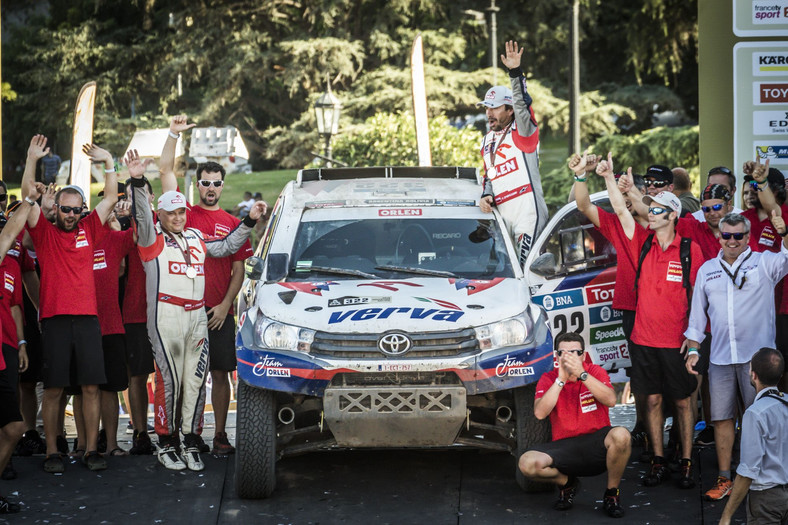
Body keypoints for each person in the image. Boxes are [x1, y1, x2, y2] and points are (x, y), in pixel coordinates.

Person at [127, 150, 265, 471]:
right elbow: (143, 215)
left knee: (194, 382)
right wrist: (135, 181)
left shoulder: (194, 236)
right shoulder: (152, 237)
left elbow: (228, 247)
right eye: (171, 213)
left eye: (180, 213)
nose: (177, 217)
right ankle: (166, 441)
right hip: (166, 319)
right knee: (169, 382)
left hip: (197, 318)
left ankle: (190, 438)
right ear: (160, 214)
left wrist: (249, 220)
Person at [599, 152, 702, 490]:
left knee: (685, 401)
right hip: (644, 339)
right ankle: (658, 460)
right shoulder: (642, 243)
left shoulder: (689, 250)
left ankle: (685, 461)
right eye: (649, 208)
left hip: (676, 343)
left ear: (673, 215)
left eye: (657, 210)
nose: (650, 212)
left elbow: (700, 300)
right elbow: (618, 209)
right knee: (653, 400)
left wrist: (694, 342)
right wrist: (609, 178)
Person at [21, 135, 119, 473]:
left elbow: (109, 196)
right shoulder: (45, 234)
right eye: (65, 209)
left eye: (77, 210)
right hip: (56, 320)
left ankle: (91, 450)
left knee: (91, 387)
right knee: (54, 389)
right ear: (56, 208)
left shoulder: (90, 229)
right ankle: (52, 452)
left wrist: (108, 162)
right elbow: (26, 198)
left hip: (88, 320)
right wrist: (32, 158)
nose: (71, 215)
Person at [160, 115, 257, 456]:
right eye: (205, 183)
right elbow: (166, 173)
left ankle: (220, 435)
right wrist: (173, 134)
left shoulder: (234, 224)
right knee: (186, 376)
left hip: (218, 311)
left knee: (220, 374)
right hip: (185, 311)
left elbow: (238, 270)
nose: (211, 188)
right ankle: (188, 434)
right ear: (197, 185)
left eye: (216, 183)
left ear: (223, 186)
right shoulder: (183, 214)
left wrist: (224, 306)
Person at [684, 212, 788, 502]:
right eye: (726, 235)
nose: (731, 241)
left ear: (747, 236)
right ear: (719, 236)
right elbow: (696, 318)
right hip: (720, 357)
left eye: (738, 236)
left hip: (757, 360)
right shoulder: (707, 269)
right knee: (721, 420)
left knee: (761, 418)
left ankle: (766, 477)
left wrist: (785, 230)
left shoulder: (764, 262)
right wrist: (693, 349)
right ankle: (725, 478)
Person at [518, 332, 630, 518]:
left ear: (583, 355)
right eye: (563, 353)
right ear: (557, 356)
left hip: (596, 442)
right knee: (527, 463)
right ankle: (568, 483)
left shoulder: (594, 371)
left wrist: (582, 374)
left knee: (622, 435)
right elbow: (539, 413)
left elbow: (611, 400)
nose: (569, 357)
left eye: (574, 352)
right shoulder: (549, 378)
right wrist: (561, 380)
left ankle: (612, 494)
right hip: (565, 447)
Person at [478, 40, 547, 265]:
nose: (489, 113)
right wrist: (486, 195)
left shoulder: (523, 130)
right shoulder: (487, 139)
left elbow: (522, 103)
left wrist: (515, 73)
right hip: (502, 214)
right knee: (503, 272)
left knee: (527, 269)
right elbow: (490, 174)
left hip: (526, 211)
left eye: (495, 107)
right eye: (487, 107)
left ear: (509, 110)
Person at [718, 348, 788, 525]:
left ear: (753, 375)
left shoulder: (755, 414)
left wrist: (726, 516)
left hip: (767, 499)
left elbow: (747, 471)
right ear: (780, 376)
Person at [121, 176, 157, 455]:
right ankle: (140, 432)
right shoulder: (123, 226)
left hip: (167, 311)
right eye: (132, 196)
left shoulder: (166, 220)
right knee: (137, 376)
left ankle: (174, 432)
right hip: (134, 313)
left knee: (170, 376)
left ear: (152, 198)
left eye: (142, 195)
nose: (136, 201)